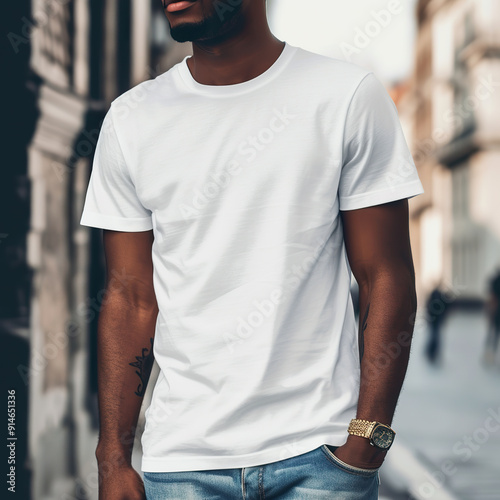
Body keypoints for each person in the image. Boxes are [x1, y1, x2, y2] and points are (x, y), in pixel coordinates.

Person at [80, 1, 424, 498]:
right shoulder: (131, 120)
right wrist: (112, 459)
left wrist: (368, 439)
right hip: (181, 465)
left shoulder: (345, 96)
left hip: (319, 461)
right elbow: (130, 298)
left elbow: (385, 275)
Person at [424, 285, 449, 365]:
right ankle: (431, 353)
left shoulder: (436, 295)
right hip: (435, 319)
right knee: (435, 336)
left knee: (434, 336)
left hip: (435, 319)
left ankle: (431, 353)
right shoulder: (439, 296)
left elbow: (428, 306)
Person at [483, 269, 500, 366]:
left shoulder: (494, 281)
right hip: (495, 312)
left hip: (494, 312)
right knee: (492, 335)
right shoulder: (495, 282)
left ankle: (489, 354)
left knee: (492, 334)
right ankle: (489, 354)